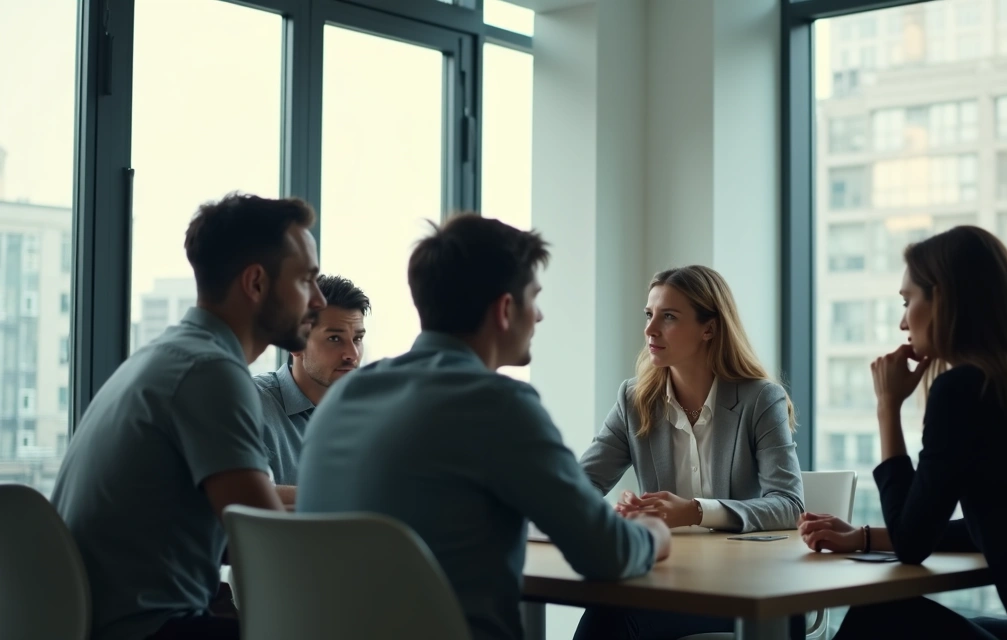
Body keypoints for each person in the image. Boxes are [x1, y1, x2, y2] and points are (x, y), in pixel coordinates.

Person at [295, 214, 671, 640]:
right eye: (534, 297)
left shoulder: (344, 396)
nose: (541, 315)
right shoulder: (499, 404)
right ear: (506, 309)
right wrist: (652, 531)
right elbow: (607, 554)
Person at [799, 226, 1007, 640]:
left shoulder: (965, 391)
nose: (902, 322)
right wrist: (866, 537)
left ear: (941, 298)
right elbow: (997, 527)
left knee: (877, 615)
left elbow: (913, 544)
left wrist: (887, 407)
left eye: (908, 301)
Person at [51, 193, 326, 640]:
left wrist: (338, 499)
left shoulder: (171, 354)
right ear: (256, 283)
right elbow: (266, 542)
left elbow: (249, 498)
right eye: (306, 281)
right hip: (153, 630)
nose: (318, 299)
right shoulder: (211, 371)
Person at [574, 265, 806, 640]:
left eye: (668, 317)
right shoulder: (634, 401)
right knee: (608, 610)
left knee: (614, 617)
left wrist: (694, 511)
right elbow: (578, 486)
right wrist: (627, 513)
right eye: (649, 315)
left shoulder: (760, 399)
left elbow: (790, 504)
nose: (650, 330)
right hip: (671, 586)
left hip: (751, 592)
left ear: (709, 328)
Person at [253, 274, 370, 507]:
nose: (352, 355)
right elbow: (243, 492)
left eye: (357, 339)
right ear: (295, 344)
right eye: (335, 338)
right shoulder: (252, 403)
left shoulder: (368, 413)